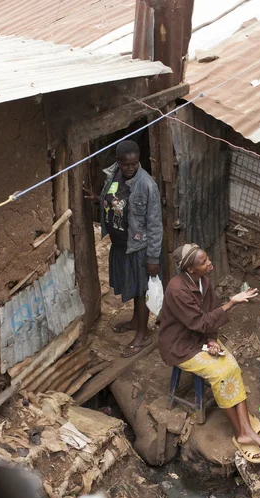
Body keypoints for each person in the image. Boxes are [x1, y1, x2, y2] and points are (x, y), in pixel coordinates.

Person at [158, 243, 260, 463]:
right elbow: (199, 321)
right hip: (180, 345)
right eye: (204, 262)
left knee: (232, 365)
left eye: (208, 259)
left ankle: (245, 426)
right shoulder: (177, 289)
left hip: (199, 338)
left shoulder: (203, 281)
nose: (209, 263)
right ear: (190, 270)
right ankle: (241, 433)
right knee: (221, 374)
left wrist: (211, 339)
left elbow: (208, 315)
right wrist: (231, 303)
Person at [84, 140, 163, 358]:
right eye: (126, 164)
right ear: (118, 162)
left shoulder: (147, 185)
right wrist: (99, 200)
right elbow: (117, 200)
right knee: (132, 288)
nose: (130, 168)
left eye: (134, 164)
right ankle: (136, 321)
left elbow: (155, 223)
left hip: (139, 246)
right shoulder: (113, 175)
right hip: (120, 243)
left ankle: (142, 334)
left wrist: (153, 257)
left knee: (141, 290)